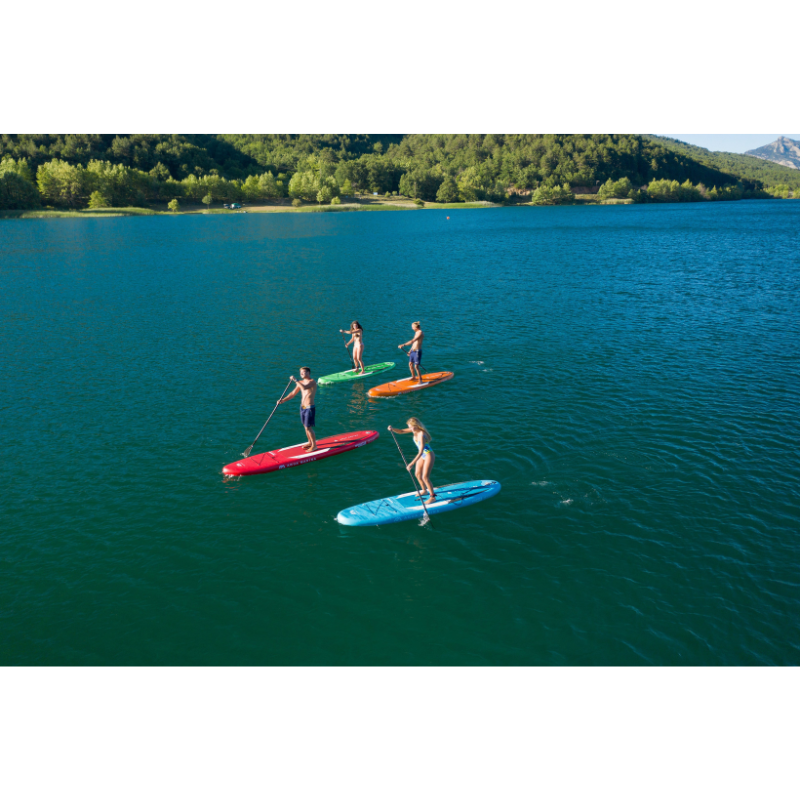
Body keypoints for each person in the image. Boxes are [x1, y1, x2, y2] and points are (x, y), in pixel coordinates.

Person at [388, 417, 437, 502]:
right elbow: (401, 431)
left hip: (428, 455)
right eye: (409, 427)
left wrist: (411, 463)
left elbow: (421, 451)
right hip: (422, 456)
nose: (410, 428)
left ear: (416, 425)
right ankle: (424, 491)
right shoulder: (414, 430)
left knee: (425, 477)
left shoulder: (421, 434)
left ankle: (433, 497)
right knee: (417, 474)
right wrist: (392, 429)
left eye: (411, 426)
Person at [279, 367, 318, 452]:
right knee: (305, 426)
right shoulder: (300, 383)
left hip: (309, 408)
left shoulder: (312, 382)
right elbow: (293, 393)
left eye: (303, 372)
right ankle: (310, 442)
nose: (301, 374)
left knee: (308, 427)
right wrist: (283, 400)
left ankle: (314, 446)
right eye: (300, 372)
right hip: (302, 407)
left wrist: (295, 380)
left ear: (308, 373)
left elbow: (304, 388)